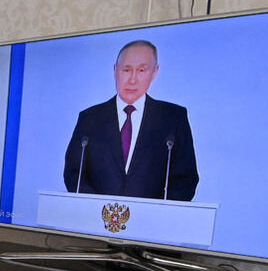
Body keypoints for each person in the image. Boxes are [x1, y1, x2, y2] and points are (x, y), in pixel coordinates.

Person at [63, 40, 199, 201]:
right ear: (115, 70)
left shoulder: (173, 118)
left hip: (152, 216)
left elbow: (185, 179)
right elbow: (74, 173)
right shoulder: (90, 118)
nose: (132, 80)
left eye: (141, 70)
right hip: (97, 215)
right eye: (126, 70)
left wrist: (155, 211)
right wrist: (101, 209)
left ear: (154, 72)